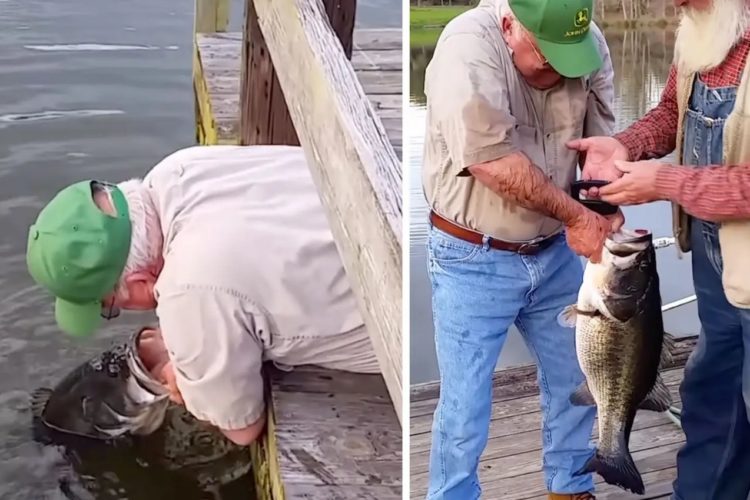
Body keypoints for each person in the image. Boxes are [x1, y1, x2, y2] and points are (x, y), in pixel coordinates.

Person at [25, 145, 380, 446]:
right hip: (385, 211)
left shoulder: (190, 290)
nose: (122, 311)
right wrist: (194, 341)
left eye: (110, 307)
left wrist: (193, 388)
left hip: (398, 321)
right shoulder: (178, 169)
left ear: (138, 283)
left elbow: (243, 429)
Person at [420, 0, 618, 497]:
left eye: (569, 56)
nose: (558, 69)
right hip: (472, 258)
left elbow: (601, 143)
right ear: (510, 26)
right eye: (547, 56)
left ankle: (570, 485)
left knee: (578, 378)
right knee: (464, 403)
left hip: (554, 253)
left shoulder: (586, 43)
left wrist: (603, 199)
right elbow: (494, 162)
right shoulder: (468, 50)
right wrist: (579, 217)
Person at [567, 0, 750, 497]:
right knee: (712, 397)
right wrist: (623, 145)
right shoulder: (702, 29)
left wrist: (667, 182)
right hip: (716, 262)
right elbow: (673, 110)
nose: (674, 4)